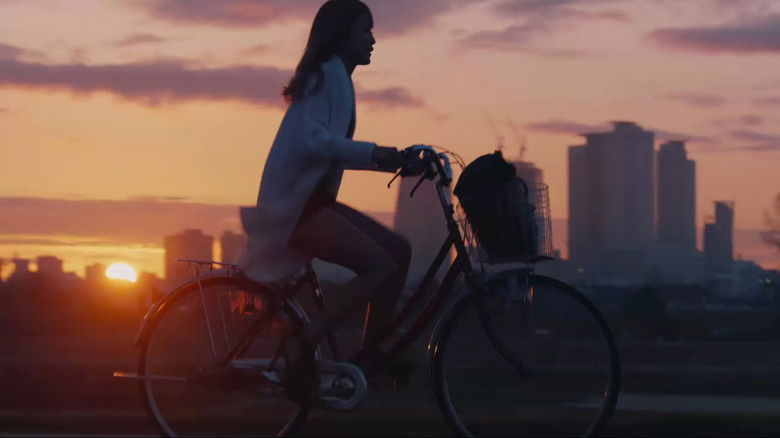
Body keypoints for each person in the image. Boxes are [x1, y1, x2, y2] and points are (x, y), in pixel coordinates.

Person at [239, 0, 413, 401]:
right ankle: (302, 343)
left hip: (312, 202)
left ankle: (371, 353)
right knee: (379, 265)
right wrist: (376, 153)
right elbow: (314, 142)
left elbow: (330, 149)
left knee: (399, 252)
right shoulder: (325, 76)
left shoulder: (336, 77)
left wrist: (391, 160)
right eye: (365, 30)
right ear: (341, 35)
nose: (373, 40)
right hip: (295, 208)